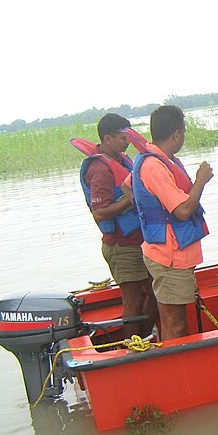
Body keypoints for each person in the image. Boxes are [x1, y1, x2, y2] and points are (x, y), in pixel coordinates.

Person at [129, 106, 213, 341]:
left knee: (172, 317)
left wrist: (149, 208)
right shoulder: (155, 166)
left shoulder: (159, 159)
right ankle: (176, 368)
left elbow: (128, 186)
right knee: (174, 321)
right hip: (169, 255)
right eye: (183, 132)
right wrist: (201, 181)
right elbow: (184, 211)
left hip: (171, 251)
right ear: (177, 134)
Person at [80, 113, 157, 338]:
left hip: (138, 241)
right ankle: (135, 345)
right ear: (108, 138)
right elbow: (100, 212)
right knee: (133, 299)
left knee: (154, 293)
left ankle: (143, 338)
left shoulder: (122, 160)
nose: (127, 142)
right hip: (122, 246)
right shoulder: (99, 169)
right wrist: (130, 199)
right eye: (123, 138)